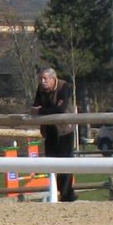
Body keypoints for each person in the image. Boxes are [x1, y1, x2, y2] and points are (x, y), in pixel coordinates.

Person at [31, 66, 77, 202]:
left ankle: (67, 194)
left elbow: (60, 109)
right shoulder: (41, 89)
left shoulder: (64, 87)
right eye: (41, 79)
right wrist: (42, 110)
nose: (42, 81)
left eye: (45, 78)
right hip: (50, 130)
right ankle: (61, 192)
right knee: (51, 162)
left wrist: (41, 111)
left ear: (53, 78)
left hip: (64, 130)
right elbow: (34, 106)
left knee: (65, 162)